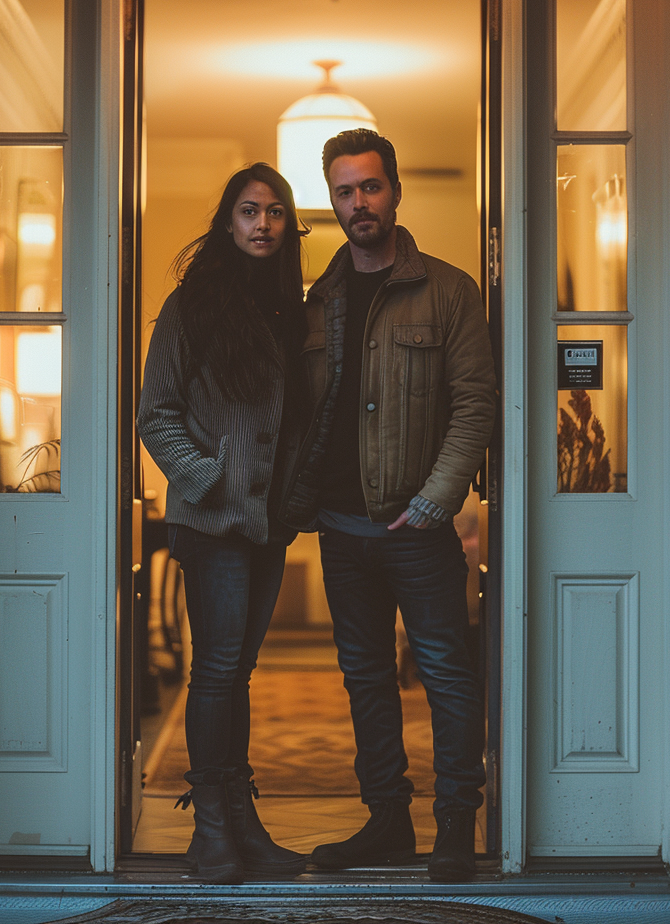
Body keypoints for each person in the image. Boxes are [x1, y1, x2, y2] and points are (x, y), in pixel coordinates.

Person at [281, 129, 497, 882]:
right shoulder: (318, 300)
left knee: (444, 671)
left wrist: (438, 502)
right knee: (365, 678)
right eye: (344, 191)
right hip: (340, 530)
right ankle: (387, 823)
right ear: (332, 200)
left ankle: (456, 826)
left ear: (394, 191)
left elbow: (475, 406)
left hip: (419, 525)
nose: (358, 203)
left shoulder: (450, 290)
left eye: (370, 187)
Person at [137, 163, 309, 884]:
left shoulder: (293, 309)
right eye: (248, 211)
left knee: (236, 672)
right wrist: (210, 478)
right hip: (212, 525)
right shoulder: (191, 307)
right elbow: (156, 415)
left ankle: (239, 821)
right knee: (215, 670)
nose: (261, 224)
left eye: (273, 212)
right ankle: (210, 832)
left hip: (270, 523)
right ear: (227, 221)